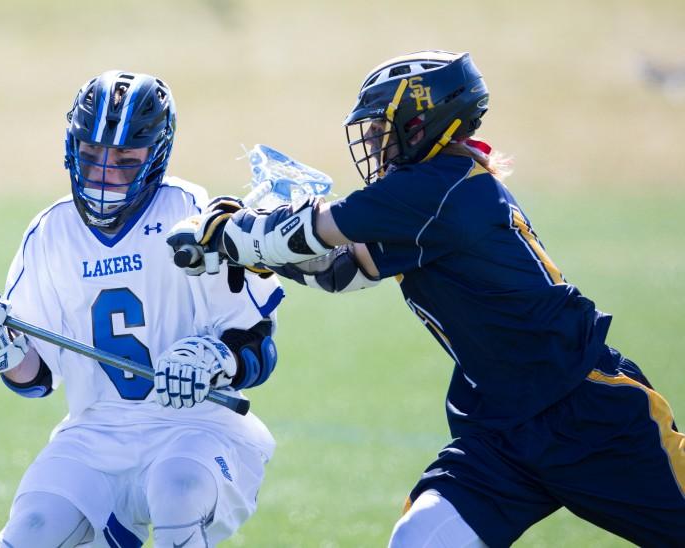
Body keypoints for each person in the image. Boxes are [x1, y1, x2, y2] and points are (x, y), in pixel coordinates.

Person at [168, 51, 685, 547]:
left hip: (584, 410)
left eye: (380, 130)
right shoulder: (426, 193)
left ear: (420, 122)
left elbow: (311, 230)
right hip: (498, 425)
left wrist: (225, 230)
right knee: (420, 538)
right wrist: (247, 244)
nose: (374, 143)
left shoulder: (437, 188)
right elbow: (341, 269)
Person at [0, 70, 283, 548]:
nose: (104, 175)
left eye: (125, 162)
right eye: (90, 157)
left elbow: (259, 344)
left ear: (156, 155)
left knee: (178, 491)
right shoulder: (51, 231)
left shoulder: (191, 213)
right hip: (95, 431)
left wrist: (212, 361)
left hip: (197, 427)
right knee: (34, 528)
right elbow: (38, 378)